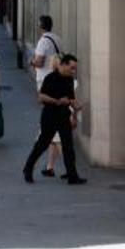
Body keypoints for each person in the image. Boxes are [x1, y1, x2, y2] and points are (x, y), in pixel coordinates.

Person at [23, 54, 87, 185]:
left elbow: (71, 99)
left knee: (68, 147)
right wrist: (57, 101)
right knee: (42, 144)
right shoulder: (50, 78)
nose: (73, 71)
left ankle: (72, 175)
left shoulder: (69, 80)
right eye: (71, 67)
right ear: (63, 65)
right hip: (50, 116)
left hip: (64, 116)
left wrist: (76, 109)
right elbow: (41, 97)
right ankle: (28, 168)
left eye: (75, 68)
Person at [30, 15, 64, 177]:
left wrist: (31, 61)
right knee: (54, 122)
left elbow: (39, 61)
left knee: (51, 125)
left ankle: (64, 165)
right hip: (57, 82)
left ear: (40, 26)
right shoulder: (57, 39)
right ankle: (50, 166)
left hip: (46, 83)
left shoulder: (43, 41)